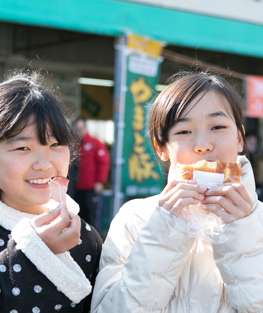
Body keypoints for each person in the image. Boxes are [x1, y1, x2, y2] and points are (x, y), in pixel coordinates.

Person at [91, 71, 263, 312]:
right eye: (184, 131)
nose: (203, 144)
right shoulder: (135, 218)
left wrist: (242, 231)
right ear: (161, 147)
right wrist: (164, 230)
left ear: (240, 139)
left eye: (218, 126)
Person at [0, 71, 102, 313]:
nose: (43, 164)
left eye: (55, 145)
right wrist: (35, 252)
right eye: (22, 147)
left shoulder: (83, 235)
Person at [73, 118, 110, 232]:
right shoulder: (74, 145)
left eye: (81, 127)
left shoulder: (95, 143)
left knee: (92, 218)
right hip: (77, 189)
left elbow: (104, 163)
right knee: (78, 218)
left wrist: (100, 181)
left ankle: (96, 244)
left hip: (91, 189)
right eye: (76, 128)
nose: (79, 130)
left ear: (85, 127)